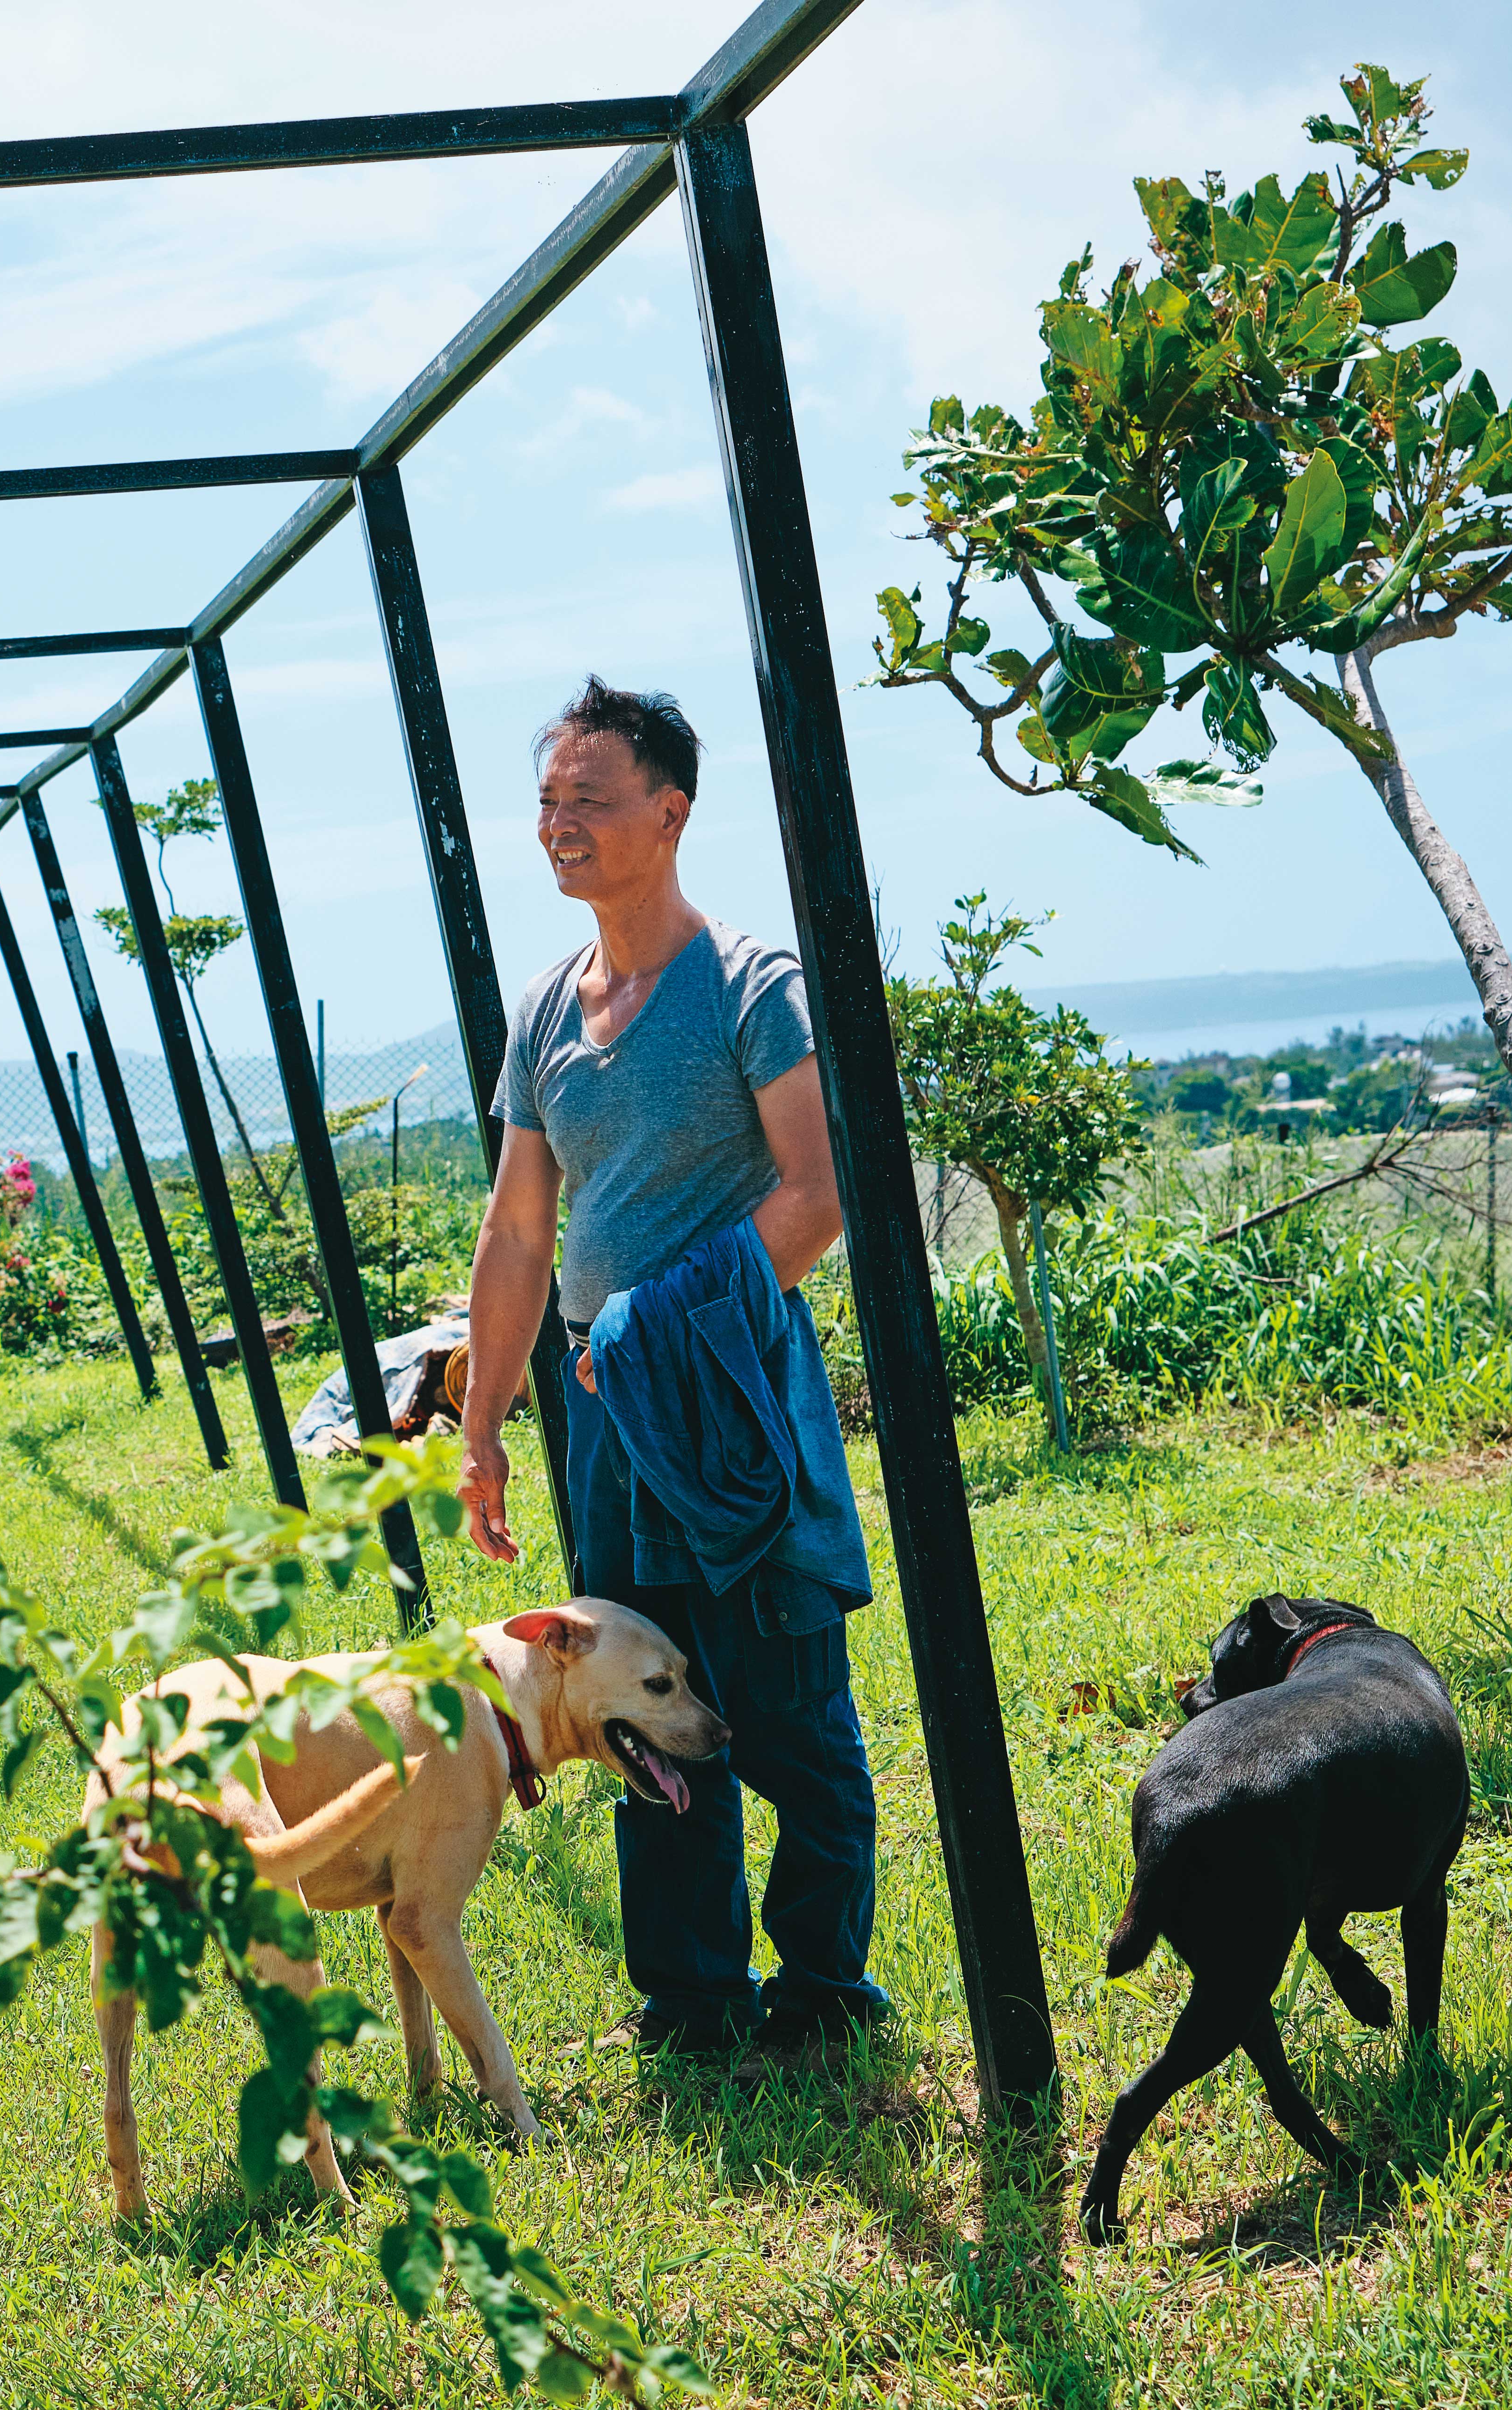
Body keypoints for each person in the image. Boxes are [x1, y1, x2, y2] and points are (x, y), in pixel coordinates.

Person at [455, 676, 890, 2065]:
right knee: (634, 1700)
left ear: (671, 811)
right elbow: (518, 1235)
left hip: (730, 1399)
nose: (559, 825)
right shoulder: (546, 1009)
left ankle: (821, 1993)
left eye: (589, 799)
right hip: (601, 1421)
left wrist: (654, 1325)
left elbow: (817, 1196)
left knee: (787, 1705)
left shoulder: (751, 987)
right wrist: (482, 1422)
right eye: (546, 802)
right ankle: (693, 2001)